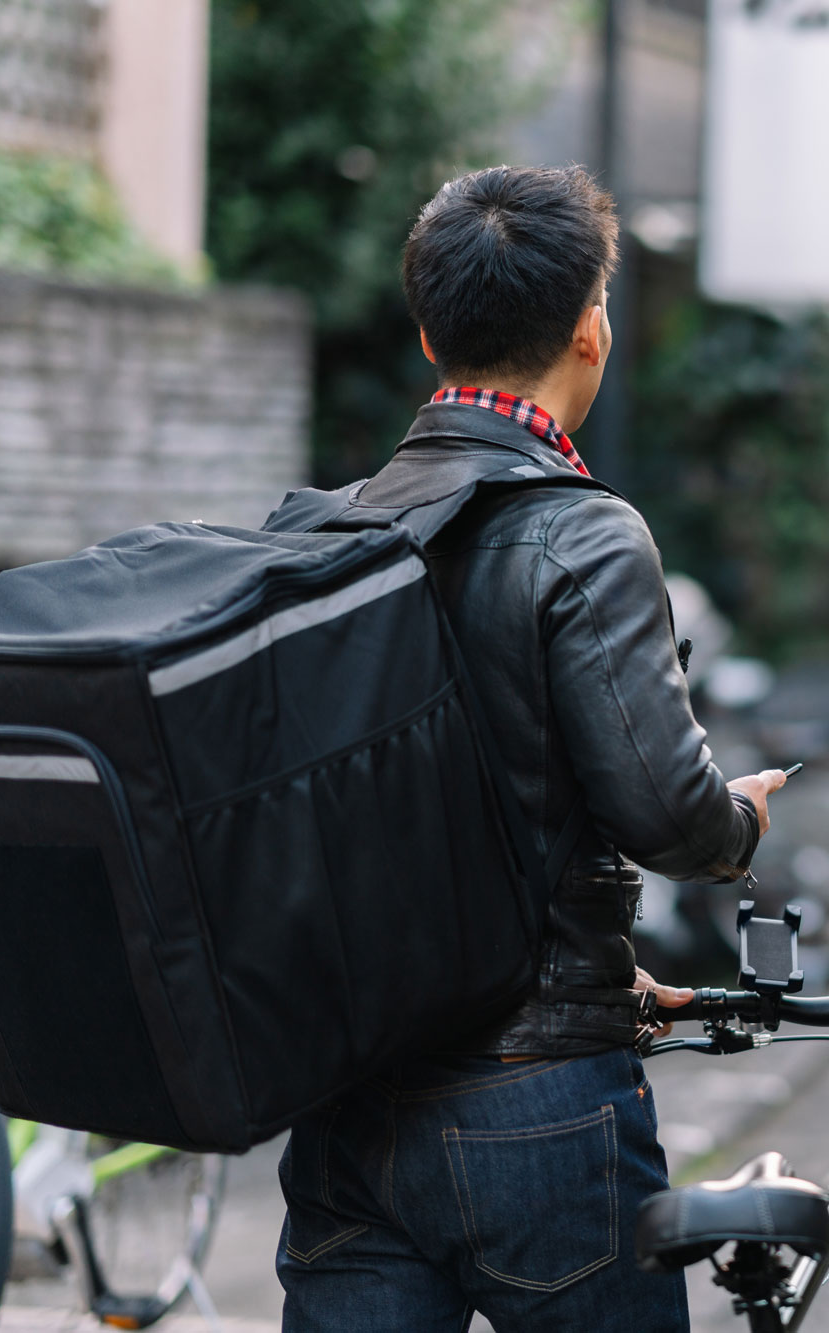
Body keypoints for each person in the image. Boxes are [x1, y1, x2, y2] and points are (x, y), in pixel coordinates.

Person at [275, 164, 785, 1332]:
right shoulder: (583, 535)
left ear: (425, 333)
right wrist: (743, 819)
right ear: (591, 332)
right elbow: (665, 813)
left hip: (350, 1094)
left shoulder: (332, 531)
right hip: (541, 1103)